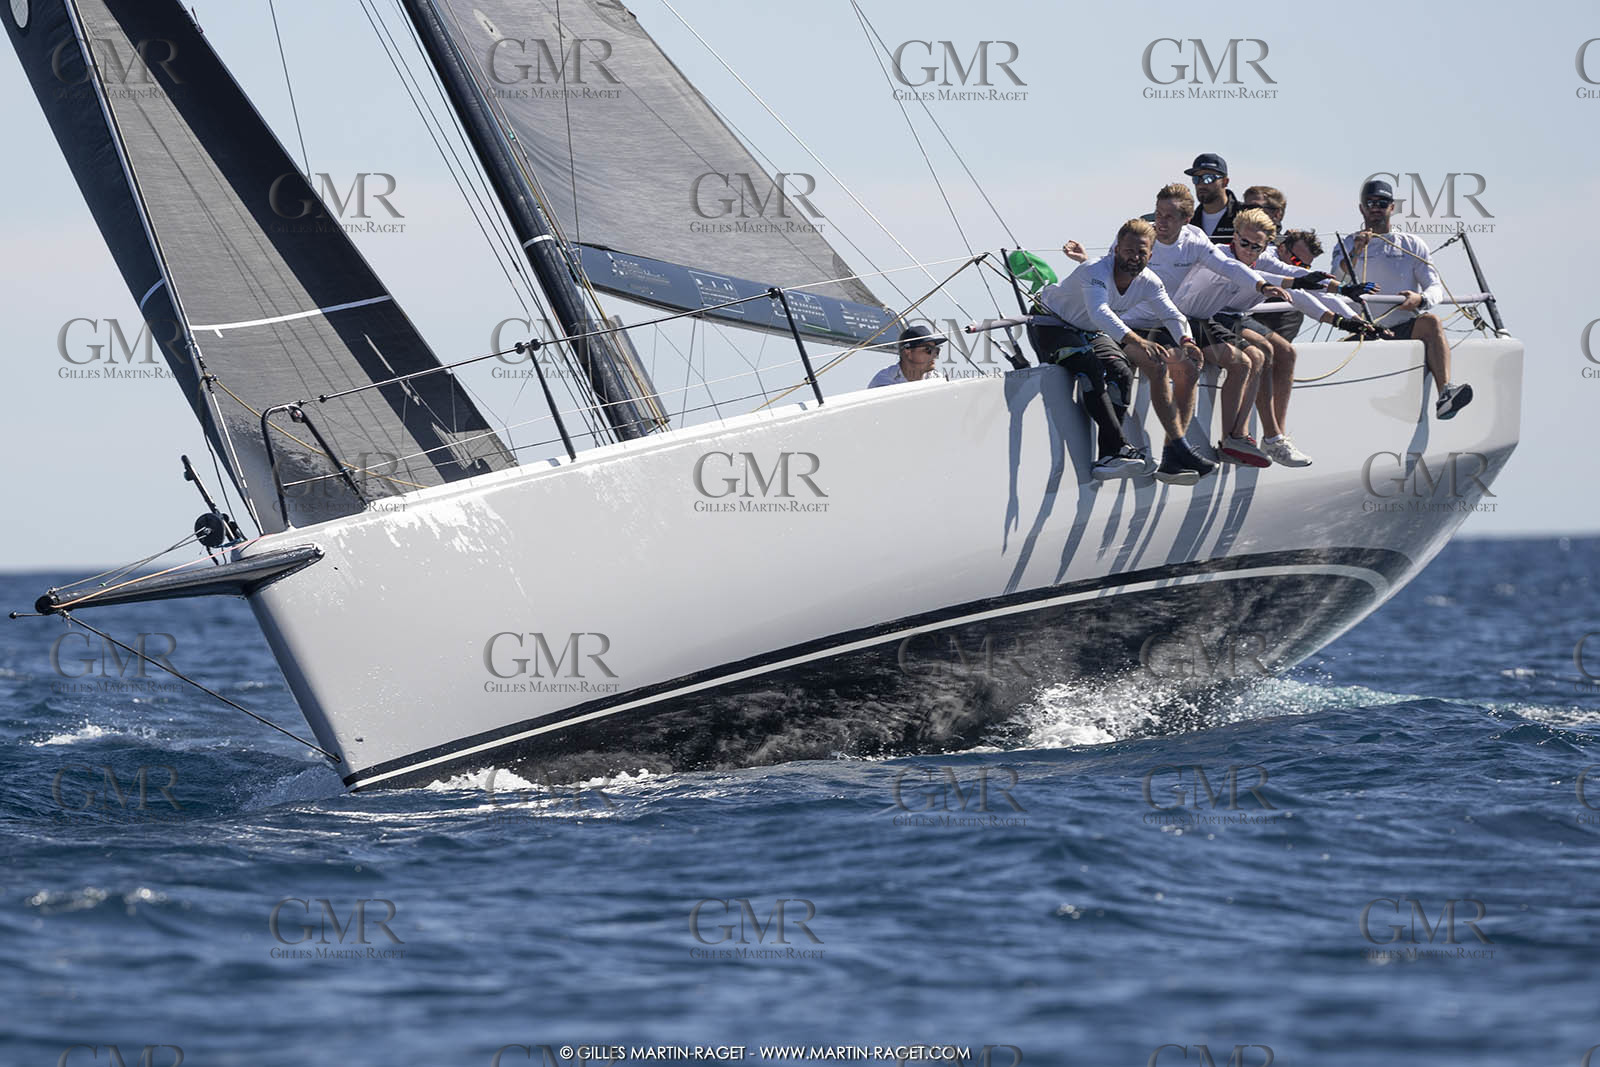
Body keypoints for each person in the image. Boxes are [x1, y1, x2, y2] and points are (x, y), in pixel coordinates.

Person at [1173, 208, 1367, 467]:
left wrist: (1343, 298)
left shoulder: (1260, 258)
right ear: (1235, 235)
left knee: (1261, 354)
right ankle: (1240, 437)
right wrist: (1299, 283)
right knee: (1250, 357)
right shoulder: (1219, 254)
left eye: (1257, 247)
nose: (1250, 251)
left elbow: (1295, 276)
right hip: (1187, 320)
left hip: (1213, 320)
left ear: (1266, 247)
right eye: (1244, 243)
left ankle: (1244, 437)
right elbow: (1258, 276)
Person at [1124, 184, 1285, 483]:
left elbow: (1227, 265)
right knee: (1177, 366)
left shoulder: (1194, 240)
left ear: (1186, 220)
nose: (1161, 221)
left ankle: (1176, 453)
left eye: (1170, 216)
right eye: (1159, 213)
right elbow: (1109, 269)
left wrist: (1261, 286)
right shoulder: (1140, 238)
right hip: (1131, 323)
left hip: (1169, 322)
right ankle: (1167, 451)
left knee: (1191, 368)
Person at [1037, 219, 1205, 481]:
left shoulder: (1149, 281)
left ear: (1150, 255)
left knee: (1121, 371)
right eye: (1128, 251)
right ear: (1116, 250)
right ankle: (1117, 448)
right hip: (1051, 325)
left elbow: (1172, 314)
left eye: (1141, 252)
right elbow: (1099, 311)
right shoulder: (1095, 270)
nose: (1134, 257)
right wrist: (1138, 341)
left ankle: (1109, 456)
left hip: (1087, 331)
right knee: (1090, 364)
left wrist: (1187, 341)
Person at [1333, 179, 1473, 419]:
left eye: (1382, 202)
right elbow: (1337, 278)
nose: (1375, 207)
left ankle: (1445, 393)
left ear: (1392, 207)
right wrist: (1357, 249)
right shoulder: (1347, 243)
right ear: (1361, 209)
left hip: (1402, 326)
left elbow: (1435, 287)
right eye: (1370, 202)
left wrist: (1420, 299)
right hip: (1362, 330)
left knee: (1431, 322)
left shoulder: (1412, 244)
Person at [1241, 186, 1302, 341]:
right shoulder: (1238, 240)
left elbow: (1301, 273)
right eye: (1245, 207)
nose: (1248, 213)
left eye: (1255, 208)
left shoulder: (1290, 246)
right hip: (1240, 308)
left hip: (1276, 310)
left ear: (1277, 214)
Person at [1186, 153, 1241, 242]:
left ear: (1225, 182)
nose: (1201, 184)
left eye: (1208, 178)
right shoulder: (1188, 222)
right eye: (1196, 179)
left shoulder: (1246, 217)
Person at [869, 324, 947, 388]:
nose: (934, 355)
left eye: (936, 350)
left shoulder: (937, 379)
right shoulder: (884, 381)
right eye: (928, 349)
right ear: (908, 353)